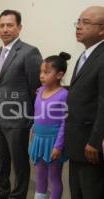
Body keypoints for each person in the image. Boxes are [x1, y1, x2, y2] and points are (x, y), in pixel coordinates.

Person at [0, 10, 43, 199]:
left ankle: (18, 195)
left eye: (10, 25)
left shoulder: (29, 52)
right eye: (2, 25)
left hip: (18, 118)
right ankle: (1, 192)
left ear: (19, 28)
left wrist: (33, 119)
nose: (5, 29)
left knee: (19, 162)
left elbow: (36, 88)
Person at [65, 6, 104, 199]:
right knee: (76, 191)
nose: (79, 27)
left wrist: (95, 141)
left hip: (91, 145)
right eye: (78, 22)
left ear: (102, 29)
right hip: (76, 141)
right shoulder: (85, 55)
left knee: (91, 192)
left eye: (86, 23)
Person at [29, 52, 70, 199]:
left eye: (46, 72)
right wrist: (33, 136)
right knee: (40, 176)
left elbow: (64, 123)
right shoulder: (39, 91)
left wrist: (58, 146)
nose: (41, 75)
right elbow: (37, 115)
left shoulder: (64, 95)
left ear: (59, 75)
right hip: (38, 140)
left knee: (54, 178)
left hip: (52, 142)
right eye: (41, 72)